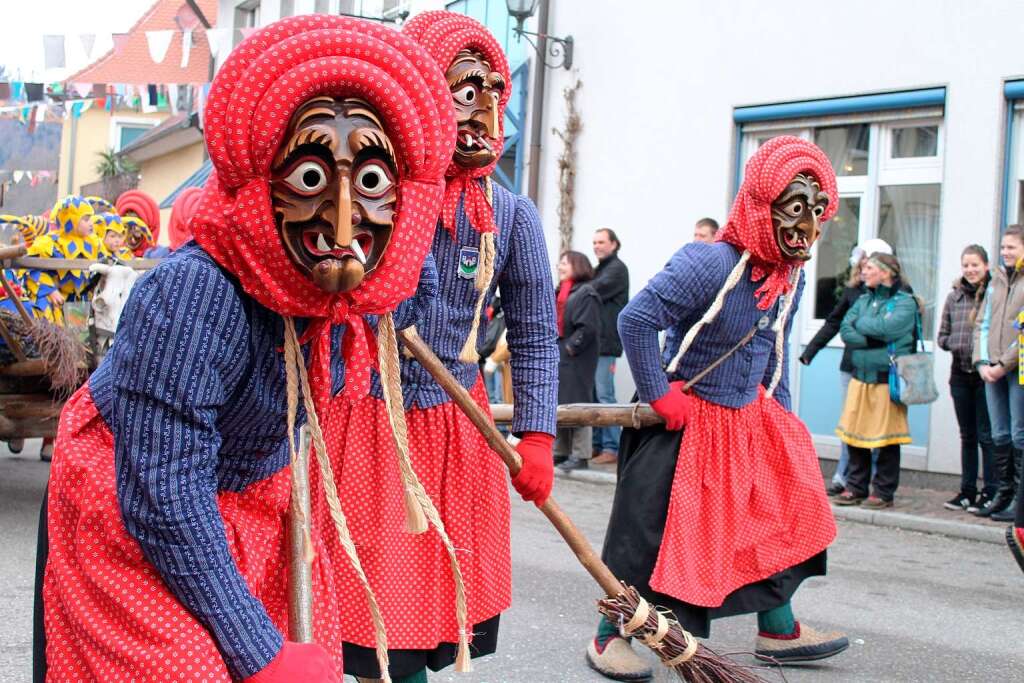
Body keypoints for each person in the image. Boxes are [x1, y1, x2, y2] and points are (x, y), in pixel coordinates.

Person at [37, 15, 454, 681]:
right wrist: (258, 651)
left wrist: (422, 194)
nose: (344, 220)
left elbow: (413, 299)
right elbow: (163, 493)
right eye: (312, 179)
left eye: (373, 182)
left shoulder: (327, 290)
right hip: (139, 506)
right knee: (190, 669)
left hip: (256, 496)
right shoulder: (196, 295)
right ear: (263, 179)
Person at [325, 13, 558, 683]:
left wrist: (537, 433)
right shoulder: (375, 191)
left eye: (494, 89)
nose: (483, 107)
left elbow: (537, 332)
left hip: (460, 427)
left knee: (431, 601)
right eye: (463, 89)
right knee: (372, 604)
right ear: (421, 92)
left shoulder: (513, 215)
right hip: (367, 420)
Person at [585, 137, 846, 681]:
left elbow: (770, 349)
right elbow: (635, 320)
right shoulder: (709, 262)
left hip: (747, 417)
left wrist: (782, 414)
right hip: (681, 416)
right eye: (796, 207)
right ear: (761, 202)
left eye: (819, 210)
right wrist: (659, 393)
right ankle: (609, 635)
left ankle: (779, 629)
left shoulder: (786, 276)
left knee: (775, 516)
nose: (808, 225)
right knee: (648, 536)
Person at [800, 238, 894, 494]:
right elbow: (834, 323)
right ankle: (845, 477)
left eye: (869, 261)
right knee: (850, 423)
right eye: (862, 260)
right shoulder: (853, 292)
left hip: (880, 369)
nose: (864, 266)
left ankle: (873, 481)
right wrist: (811, 351)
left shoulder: (896, 294)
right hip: (851, 367)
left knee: (877, 425)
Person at [834, 253, 918, 509]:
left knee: (886, 439)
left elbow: (890, 330)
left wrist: (865, 329)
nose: (863, 272)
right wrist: (872, 337)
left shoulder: (905, 303)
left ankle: (883, 491)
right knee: (855, 434)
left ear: (886, 272)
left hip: (886, 380)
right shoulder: (861, 300)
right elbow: (847, 330)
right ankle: (856, 486)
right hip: (860, 377)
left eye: (869, 268)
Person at [937, 245, 996, 511]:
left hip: (985, 374)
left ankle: (991, 490)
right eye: (966, 265)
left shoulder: (993, 295)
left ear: (985, 266)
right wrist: (956, 343)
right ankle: (967, 491)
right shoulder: (954, 297)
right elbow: (942, 336)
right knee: (967, 435)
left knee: (987, 435)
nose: (970, 270)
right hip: (960, 373)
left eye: (975, 265)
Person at [973, 225, 1024, 521]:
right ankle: (1002, 493)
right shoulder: (997, 280)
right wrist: (982, 362)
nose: (1005, 252)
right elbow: (983, 321)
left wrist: (1004, 364)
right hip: (991, 368)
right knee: (999, 433)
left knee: (1019, 433)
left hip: (1015, 370)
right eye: (1003, 247)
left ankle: (1018, 500)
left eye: (1012, 248)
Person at [555, 251, 602, 471]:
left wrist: (570, 348)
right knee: (562, 402)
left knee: (579, 403)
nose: (560, 266)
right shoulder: (562, 291)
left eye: (565, 263)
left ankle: (581, 454)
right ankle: (562, 451)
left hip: (577, 357)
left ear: (577, 265)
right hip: (562, 354)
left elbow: (588, 327)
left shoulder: (586, 293)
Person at [590, 228, 628, 465]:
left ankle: (612, 447)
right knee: (594, 397)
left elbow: (591, 291)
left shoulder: (616, 270)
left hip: (606, 343)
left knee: (605, 396)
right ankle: (597, 445)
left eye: (601, 242)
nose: (597, 246)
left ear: (614, 244)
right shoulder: (600, 269)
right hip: (596, 343)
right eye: (594, 242)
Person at [115, 189, 161, 257]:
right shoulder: (110, 255)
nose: (132, 240)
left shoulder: (160, 256)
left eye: (137, 231)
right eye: (126, 228)